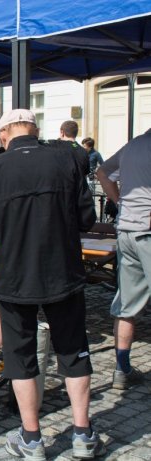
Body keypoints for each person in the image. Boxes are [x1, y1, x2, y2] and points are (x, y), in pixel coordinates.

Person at [0, 109, 102, 460]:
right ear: (37, 130)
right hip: (64, 273)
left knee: (21, 358)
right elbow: (88, 218)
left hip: (15, 277)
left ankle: (31, 439)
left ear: (3, 135)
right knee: (74, 353)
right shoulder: (67, 161)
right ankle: (82, 433)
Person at [96, 129, 151, 390]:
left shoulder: (134, 145)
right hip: (147, 232)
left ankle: (122, 368)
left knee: (126, 304)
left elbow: (102, 173)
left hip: (127, 229)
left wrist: (119, 203)